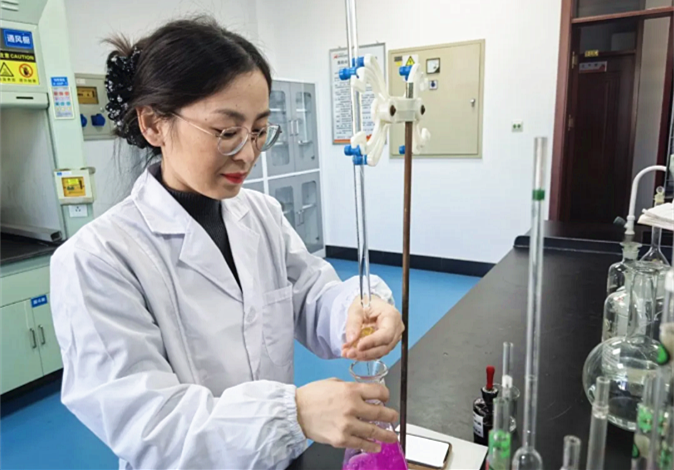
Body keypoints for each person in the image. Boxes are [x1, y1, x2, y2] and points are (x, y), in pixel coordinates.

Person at [49, 17, 405, 470]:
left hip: (281, 458)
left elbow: (311, 294)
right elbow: (148, 424)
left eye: (259, 131)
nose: (248, 154)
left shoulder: (260, 214)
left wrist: (356, 311)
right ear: (154, 124)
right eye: (226, 132)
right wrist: (293, 414)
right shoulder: (97, 259)